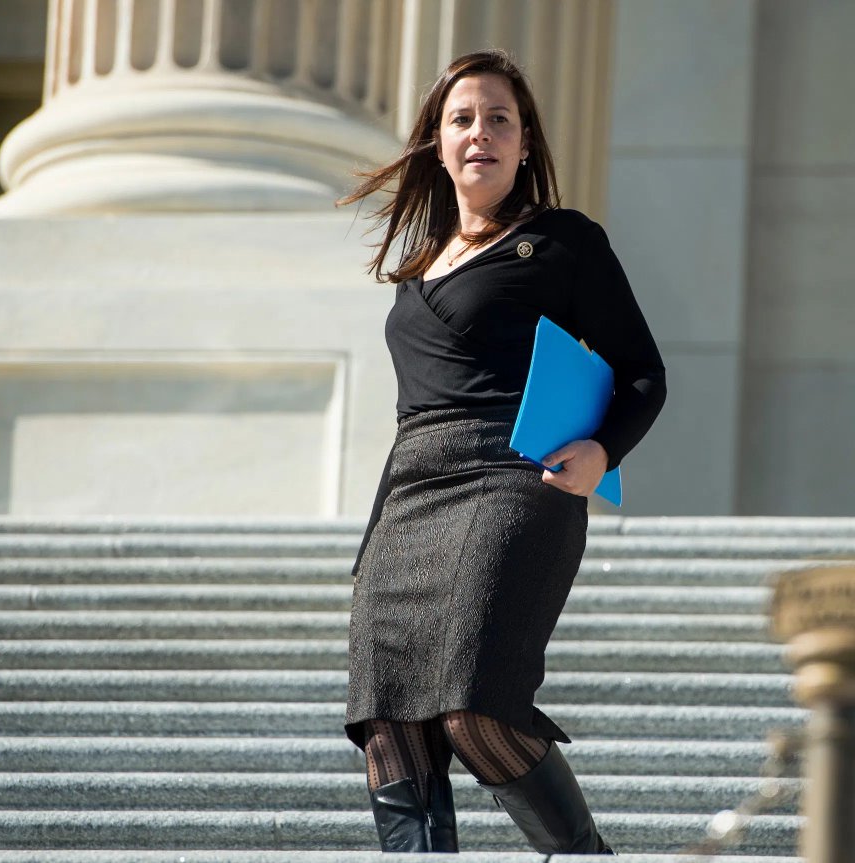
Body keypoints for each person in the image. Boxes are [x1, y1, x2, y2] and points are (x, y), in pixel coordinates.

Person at [338, 49, 667, 854]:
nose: (479, 132)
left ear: (524, 144)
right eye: (462, 119)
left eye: (498, 119)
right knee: (389, 726)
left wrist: (602, 449)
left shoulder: (561, 241)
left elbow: (644, 373)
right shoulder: (414, 264)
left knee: (476, 706)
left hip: (512, 478)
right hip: (411, 495)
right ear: (437, 143)